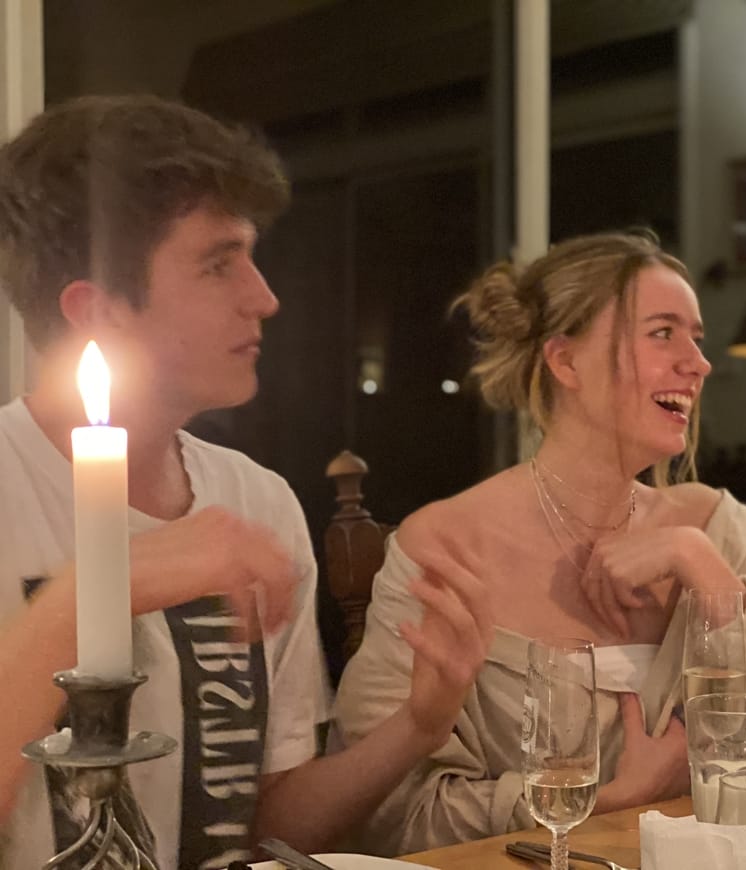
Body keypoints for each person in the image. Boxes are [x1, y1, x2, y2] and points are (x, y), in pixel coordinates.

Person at [0, 94, 492, 869]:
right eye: (218, 263)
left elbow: (263, 825)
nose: (264, 297)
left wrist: (420, 727)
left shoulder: (254, 501)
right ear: (97, 310)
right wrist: (86, 594)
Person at [333, 230, 746, 856]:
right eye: (663, 333)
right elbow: (388, 819)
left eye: (697, 337)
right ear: (565, 362)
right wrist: (605, 803)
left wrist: (705, 572)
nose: (699, 362)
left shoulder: (712, 527)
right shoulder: (445, 544)